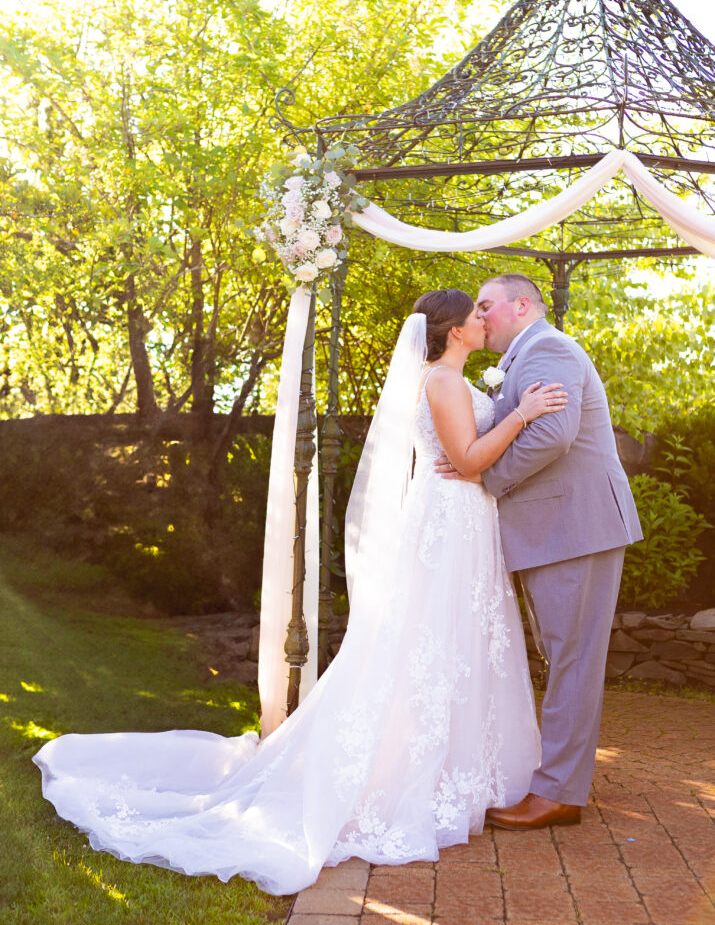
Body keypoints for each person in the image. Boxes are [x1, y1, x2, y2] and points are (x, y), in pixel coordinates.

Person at [32, 288, 566, 895]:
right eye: (474, 314)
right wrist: (521, 414)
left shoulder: (450, 380)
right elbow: (468, 461)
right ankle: (417, 775)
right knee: (429, 643)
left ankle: (464, 768)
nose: (482, 319)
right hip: (448, 522)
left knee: (454, 643)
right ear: (450, 330)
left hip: (461, 522)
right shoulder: (442, 383)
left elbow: (466, 458)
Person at [437, 274, 642, 830]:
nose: (480, 317)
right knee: (565, 657)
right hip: (556, 529)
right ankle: (559, 783)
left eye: (487, 306)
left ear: (520, 304)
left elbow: (553, 435)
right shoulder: (528, 355)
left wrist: (481, 475)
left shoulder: (548, 347)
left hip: (574, 526)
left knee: (573, 660)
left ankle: (558, 795)